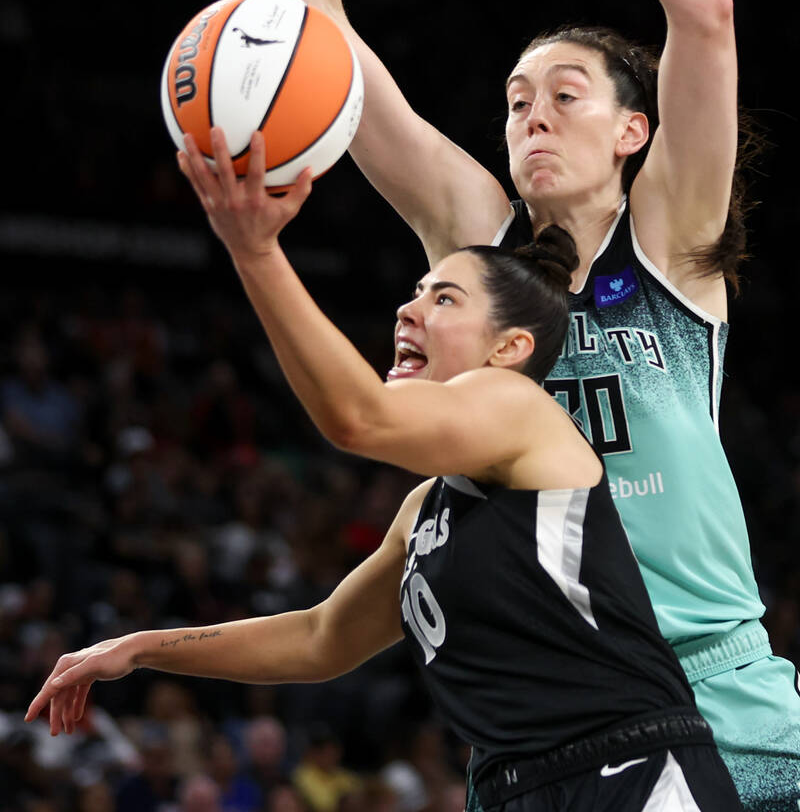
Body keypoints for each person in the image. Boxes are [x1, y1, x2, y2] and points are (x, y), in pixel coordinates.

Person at [152, 0, 800, 810]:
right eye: (512, 100)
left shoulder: (667, 244)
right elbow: (318, 45)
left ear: (632, 131)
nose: (530, 114)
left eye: (564, 95)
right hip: (575, 719)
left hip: (728, 693)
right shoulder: (476, 240)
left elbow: (700, 10)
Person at [26, 129, 742, 811]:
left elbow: (355, 419)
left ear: (509, 348)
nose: (408, 309)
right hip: (515, 786)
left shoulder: (521, 410)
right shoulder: (426, 509)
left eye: (444, 298)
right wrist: (141, 648)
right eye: (417, 291)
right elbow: (319, 638)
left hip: (630, 766)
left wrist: (256, 252)